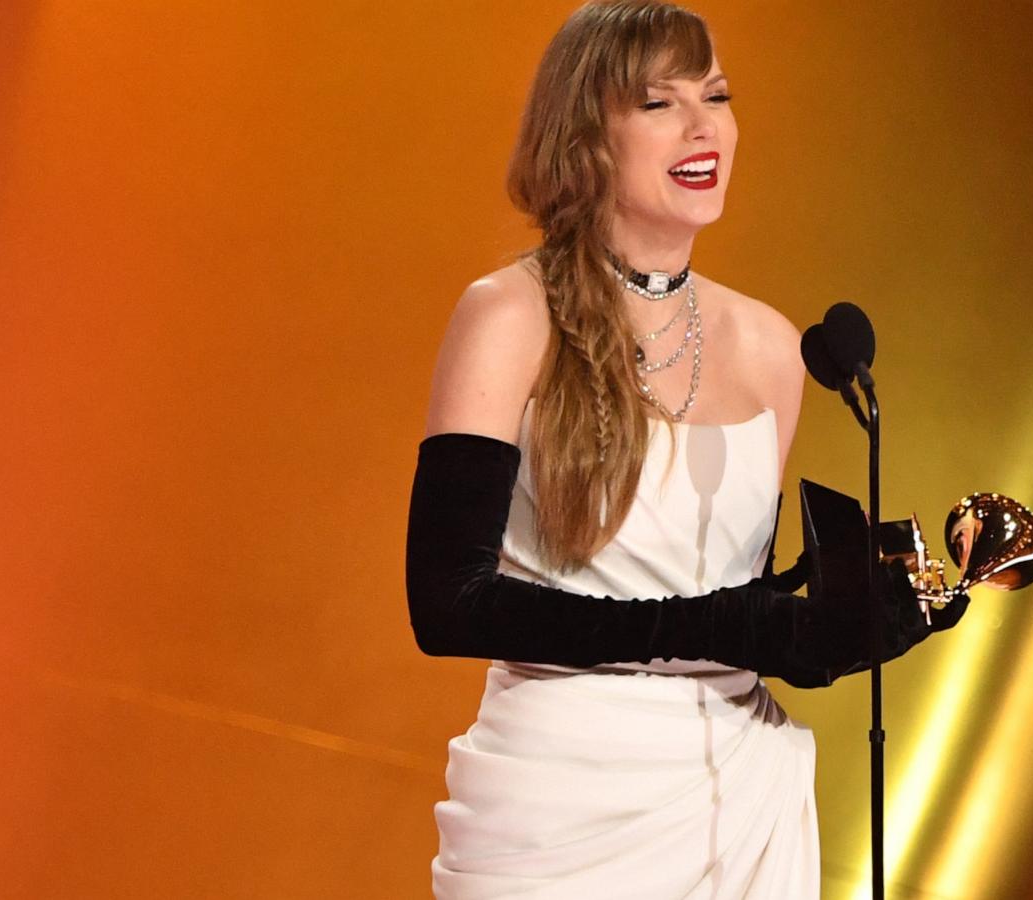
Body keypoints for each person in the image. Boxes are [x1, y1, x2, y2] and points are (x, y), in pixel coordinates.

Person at [403, 2, 968, 896]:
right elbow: (447, 604)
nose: (705, 125)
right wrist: (709, 627)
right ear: (586, 135)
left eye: (717, 95)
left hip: (738, 806)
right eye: (660, 103)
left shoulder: (777, 349)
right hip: (559, 814)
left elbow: (733, 596)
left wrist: (837, 624)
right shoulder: (509, 317)